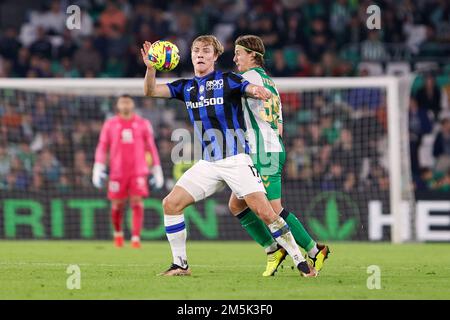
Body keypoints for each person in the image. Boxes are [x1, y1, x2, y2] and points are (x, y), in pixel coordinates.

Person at [141, 35, 316, 277]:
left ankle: (301, 262)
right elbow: (150, 91)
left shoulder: (227, 80)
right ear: (190, 56)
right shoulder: (186, 87)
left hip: (236, 160)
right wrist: (151, 69)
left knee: (267, 213)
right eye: (196, 51)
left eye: (206, 51)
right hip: (209, 163)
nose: (200, 54)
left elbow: (248, 88)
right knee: (171, 204)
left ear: (215, 57)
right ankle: (180, 264)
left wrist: (258, 90)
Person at [230, 35, 330, 276]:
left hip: (264, 150)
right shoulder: (270, 82)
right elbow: (279, 123)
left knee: (273, 210)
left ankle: (314, 251)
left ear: (253, 55)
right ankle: (274, 248)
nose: (234, 59)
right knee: (236, 204)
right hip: (268, 147)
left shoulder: (250, 78)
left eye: (238, 53)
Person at [92, 94, 164, 248]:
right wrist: (98, 166)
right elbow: (102, 146)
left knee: (137, 202)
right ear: (118, 105)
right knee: (117, 204)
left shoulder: (143, 123)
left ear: (133, 105)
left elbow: (151, 147)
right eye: (122, 102)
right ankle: (118, 234)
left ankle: (136, 238)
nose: (125, 105)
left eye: (128, 102)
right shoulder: (110, 124)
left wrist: (157, 168)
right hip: (117, 172)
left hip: (138, 171)